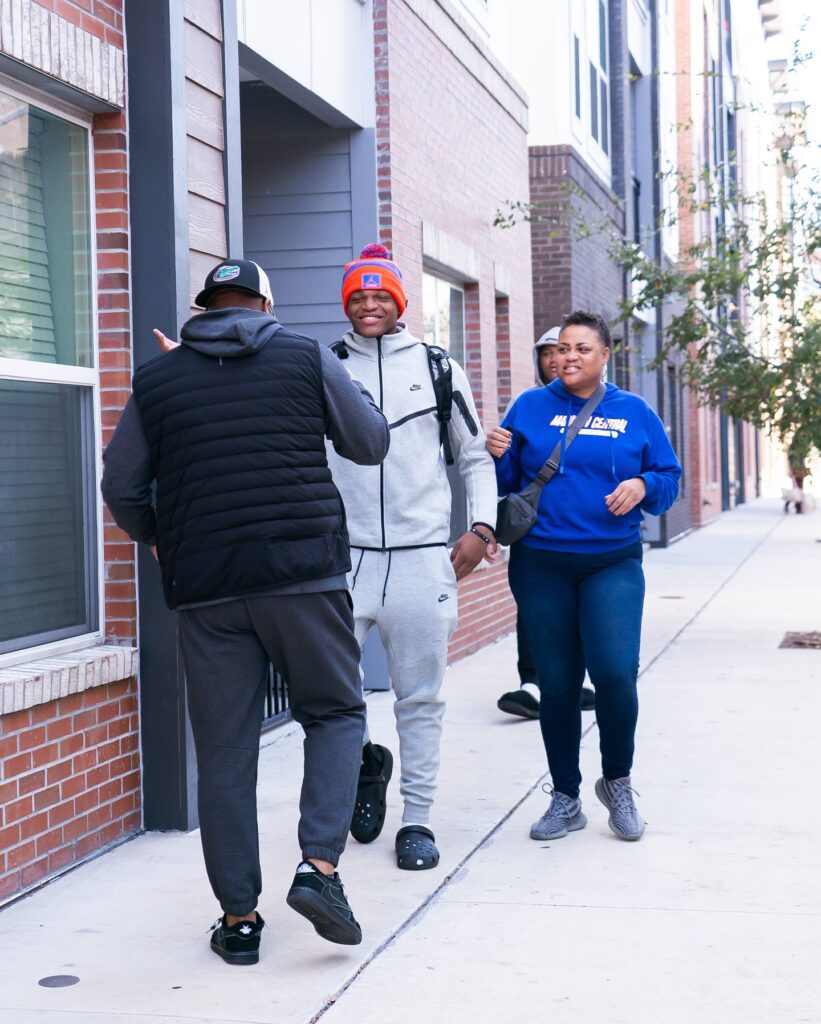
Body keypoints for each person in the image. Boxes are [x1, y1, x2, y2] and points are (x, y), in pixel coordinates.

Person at [102, 259, 390, 964]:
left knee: (226, 752)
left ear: (206, 308)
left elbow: (121, 484)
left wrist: (161, 537)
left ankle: (238, 922)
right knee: (335, 712)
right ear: (266, 301)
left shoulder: (159, 377)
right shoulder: (303, 354)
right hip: (302, 575)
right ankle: (317, 868)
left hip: (207, 586)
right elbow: (369, 441)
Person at [328, 243, 499, 871]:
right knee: (330, 693)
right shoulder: (323, 365)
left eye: (381, 296)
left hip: (423, 557)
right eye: (357, 296)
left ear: (400, 303)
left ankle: (418, 821)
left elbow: (476, 455)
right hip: (342, 559)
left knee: (419, 697)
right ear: (345, 303)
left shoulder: (437, 367)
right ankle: (366, 765)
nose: (369, 305)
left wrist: (482, 527)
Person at [488, 310, 681, 843]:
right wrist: (498, 456)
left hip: (611, 562)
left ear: (604, 356)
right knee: (557, 684)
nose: (569, 357)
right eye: (562, 348)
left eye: (581, 349)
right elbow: (507, 486)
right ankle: (566, 797)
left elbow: (669, 479)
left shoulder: (634, 411)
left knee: (616, 674)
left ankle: (617, 782)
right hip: (542, 564)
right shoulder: (530, 406)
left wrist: (643, 485)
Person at [495, 327, 595, 719]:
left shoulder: (610, 405)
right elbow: (504, 475)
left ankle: (579, 679)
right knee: (533, 612)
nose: (555, 360)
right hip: (535, 537)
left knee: (584, 608)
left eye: (563, 351)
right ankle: (532, 684)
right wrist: (496, 453)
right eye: (547, 353)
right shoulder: (528, 406)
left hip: (591, 541)